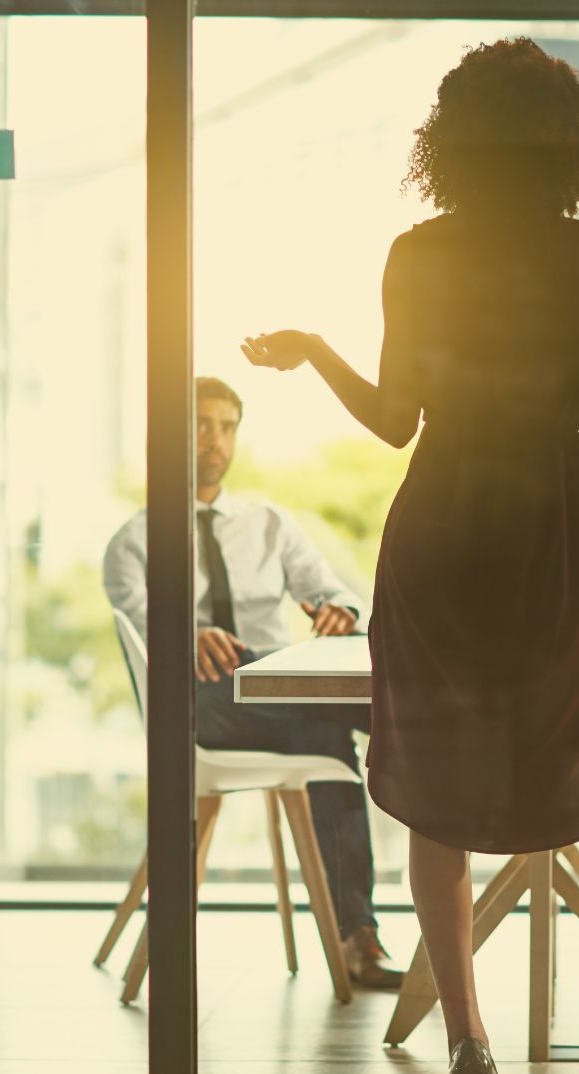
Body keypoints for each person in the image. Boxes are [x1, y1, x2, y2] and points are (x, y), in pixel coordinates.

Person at [238, 38, 579, 1074]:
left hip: (440, 535)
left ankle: (466, 1040)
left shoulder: (417, 255)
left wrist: (315, 349)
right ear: (566, 138)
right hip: (547, 538)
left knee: (435, 789)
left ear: (450, 138)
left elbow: (388, 423)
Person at [101, 376, 405, 991]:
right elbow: (141, 626)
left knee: (330, 735)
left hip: (284, 699)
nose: (215, 440)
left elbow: (332, 590)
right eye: (200, 425)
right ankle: (361, 934)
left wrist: (338, 610)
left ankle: (360, 936)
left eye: (226, 426)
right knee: (368, 720)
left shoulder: (268, 522)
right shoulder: (133, 541)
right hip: (200, 707)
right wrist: (184, 632)